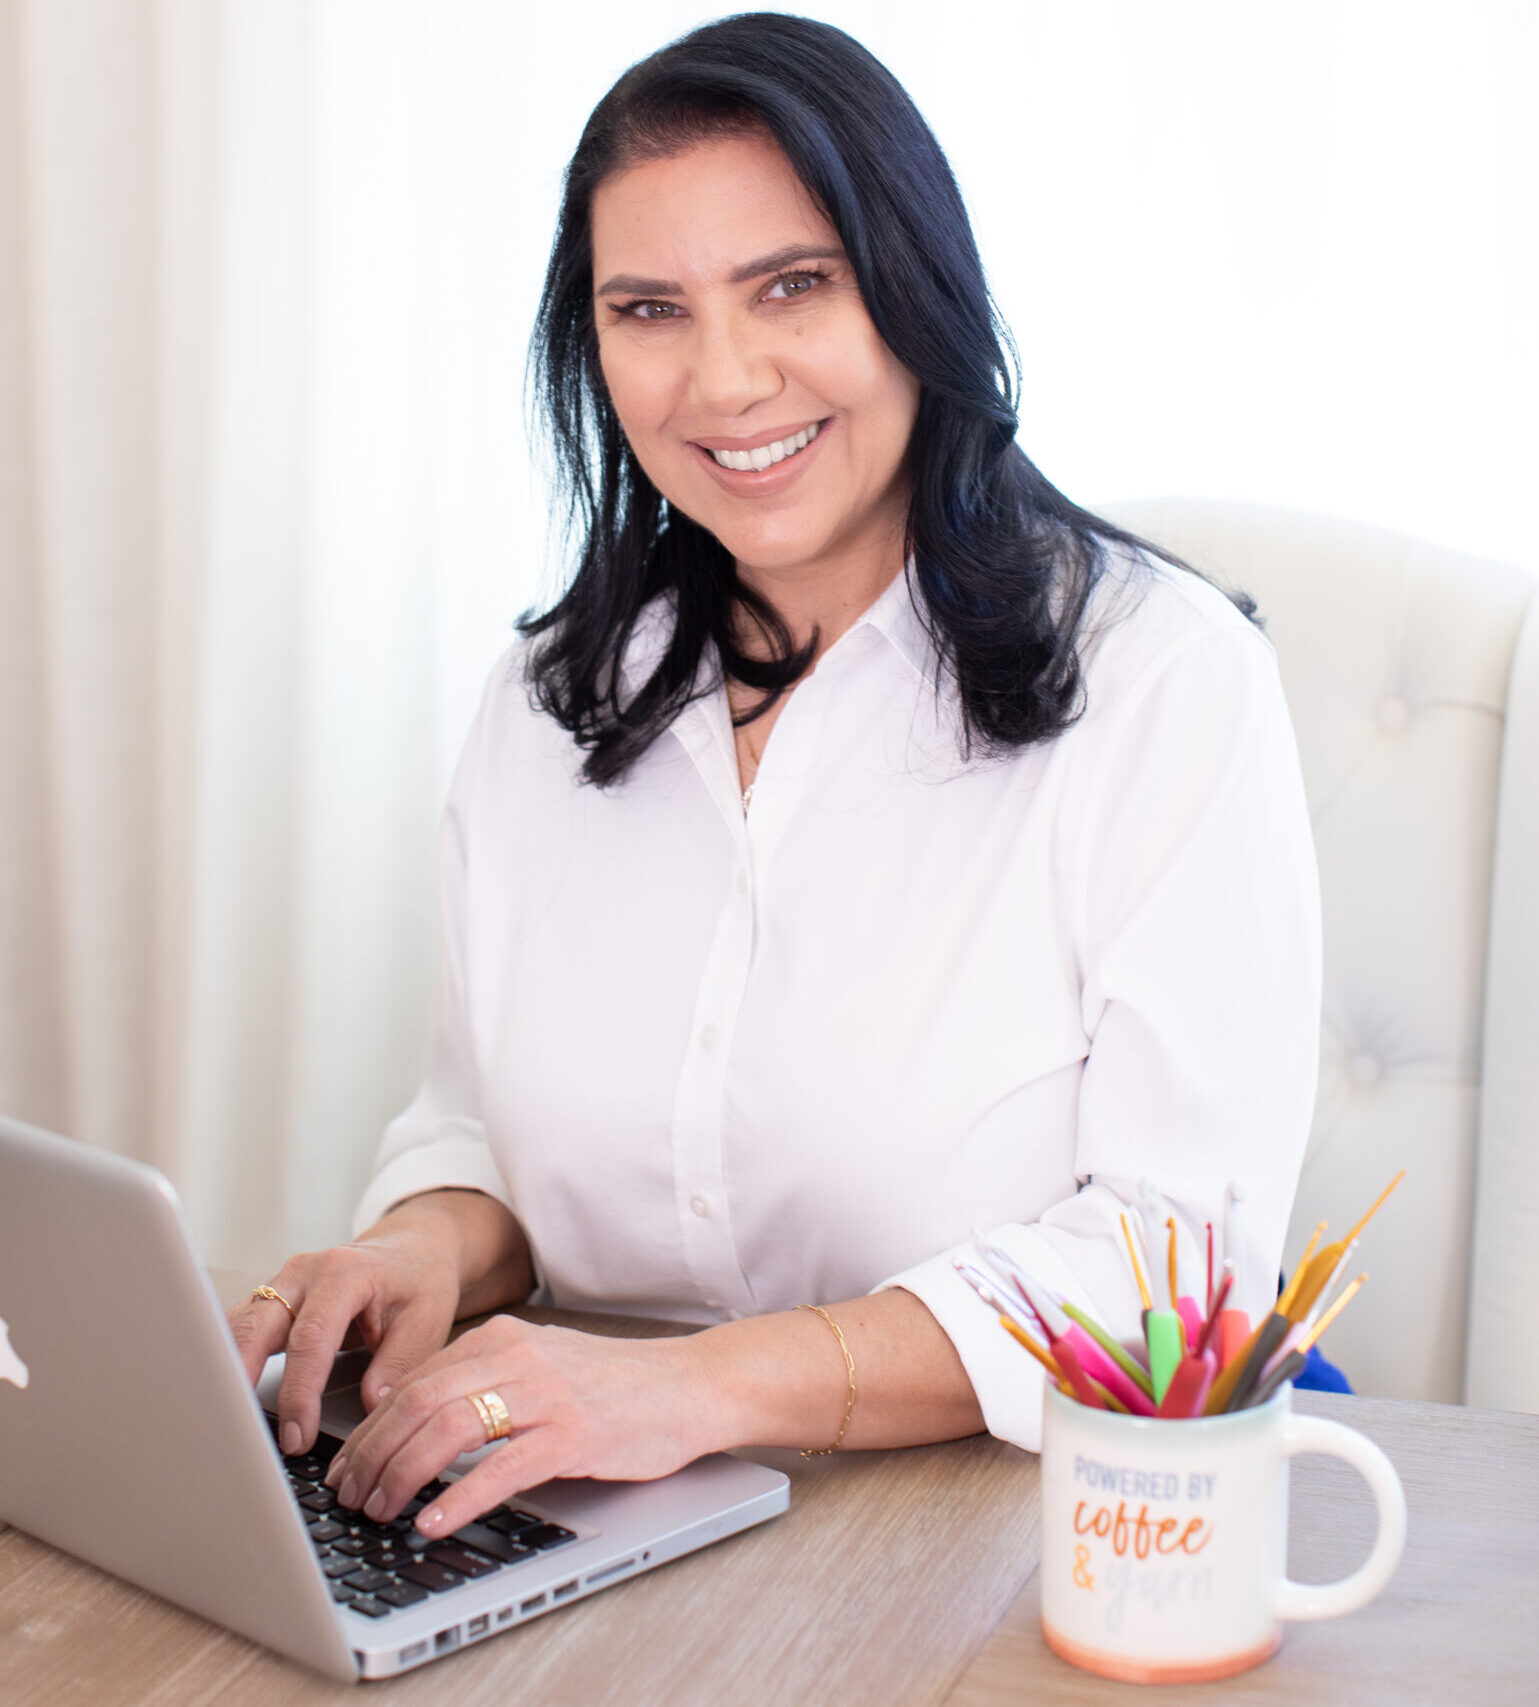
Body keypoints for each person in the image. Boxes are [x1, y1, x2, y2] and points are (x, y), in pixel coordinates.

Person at [229, 13, 1320, 1545]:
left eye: (793, 285)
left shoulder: (1165, 681)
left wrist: (689, 1390)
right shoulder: (545, 703)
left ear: (916, 293)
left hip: (1026, 1536)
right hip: (597, 1511)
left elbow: (1176, 1276)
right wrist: (426, 1245)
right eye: (649, 310)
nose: (726, 379)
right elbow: (481, 1125)